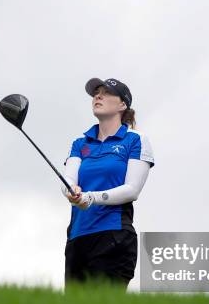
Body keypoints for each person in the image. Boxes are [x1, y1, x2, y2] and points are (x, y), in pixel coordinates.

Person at [61, 77, 155, 290]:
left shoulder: (135, 140)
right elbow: (69, 179)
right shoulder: (80, 142)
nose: (98, 96)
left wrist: (91, 197)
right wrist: (71, 191)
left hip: (114, 238)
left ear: (122, 104)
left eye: (106, 92)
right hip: (77, 238)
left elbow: (132, 190)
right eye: (96, 93)